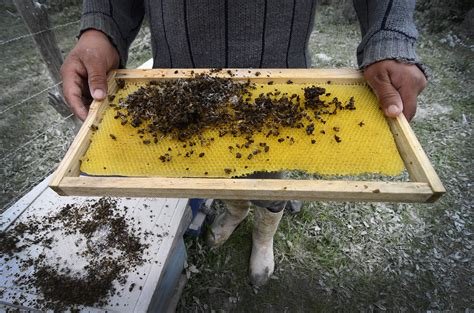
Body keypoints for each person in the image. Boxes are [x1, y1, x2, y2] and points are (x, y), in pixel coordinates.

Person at [61, 0, 427, 287]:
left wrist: (388, 35)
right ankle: (234, 211)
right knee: (211, 167)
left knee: (269, 174)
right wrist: (101, 26)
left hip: (280, 83)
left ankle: (264, 235)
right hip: (181, 84)